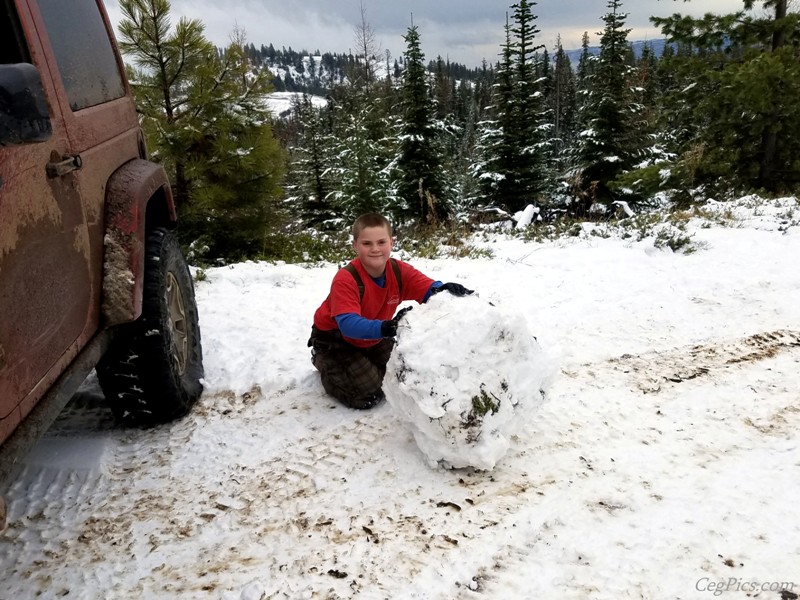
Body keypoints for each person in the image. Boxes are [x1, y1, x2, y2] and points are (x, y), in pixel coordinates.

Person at [309, 213, 473, 409]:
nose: (375, 249)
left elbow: (426, 287)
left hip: (374, 334)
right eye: (367, 243)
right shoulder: (346, 278)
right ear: (355, 246)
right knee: (369, 391)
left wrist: (442, 288)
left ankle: (361, 361)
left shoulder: (398, 271)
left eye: (381, 242)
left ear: (391, 242)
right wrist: (387, 327)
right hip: (336, 338)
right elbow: (348, 325)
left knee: (399, 375)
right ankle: (323, 361)